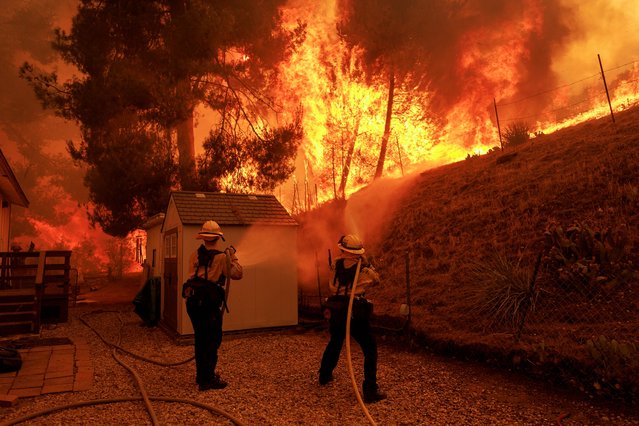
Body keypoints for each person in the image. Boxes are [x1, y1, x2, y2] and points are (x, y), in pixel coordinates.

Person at [318, 234, 386, 403]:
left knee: (335, 341)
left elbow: (334, 281)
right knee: (370, 348)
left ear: (342, 249)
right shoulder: (363, 270)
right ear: (358, 252)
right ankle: (370, 390)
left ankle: (324, 375)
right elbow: (377, 280)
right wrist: (367, 262)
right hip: (355, 311)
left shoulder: (335, 264)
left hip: (337, 309)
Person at [185, 220, 243, 391]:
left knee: (200, 339)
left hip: (193, 303)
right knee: (211, 341)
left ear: (203, 238)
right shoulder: (220, 257)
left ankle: (201, 376)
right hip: (208, 306)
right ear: (218, 238)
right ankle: (207, 380)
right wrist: (232, 256)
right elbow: (237, 273)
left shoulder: (194, 255)